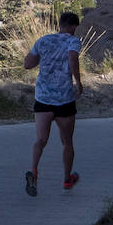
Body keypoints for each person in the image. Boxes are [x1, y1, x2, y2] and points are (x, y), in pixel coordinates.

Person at [23, 11, 84, 196]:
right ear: (73, 27)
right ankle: (66, 180)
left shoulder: (43, 40)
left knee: (40, 140)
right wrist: (78, 82)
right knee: (67, 142)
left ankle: (33, 170)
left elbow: (27, 64)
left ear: (60, 24)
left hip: (42, 98)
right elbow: (73, 59)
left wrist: (44, 58)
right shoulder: (73, 41)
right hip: (64, 100)